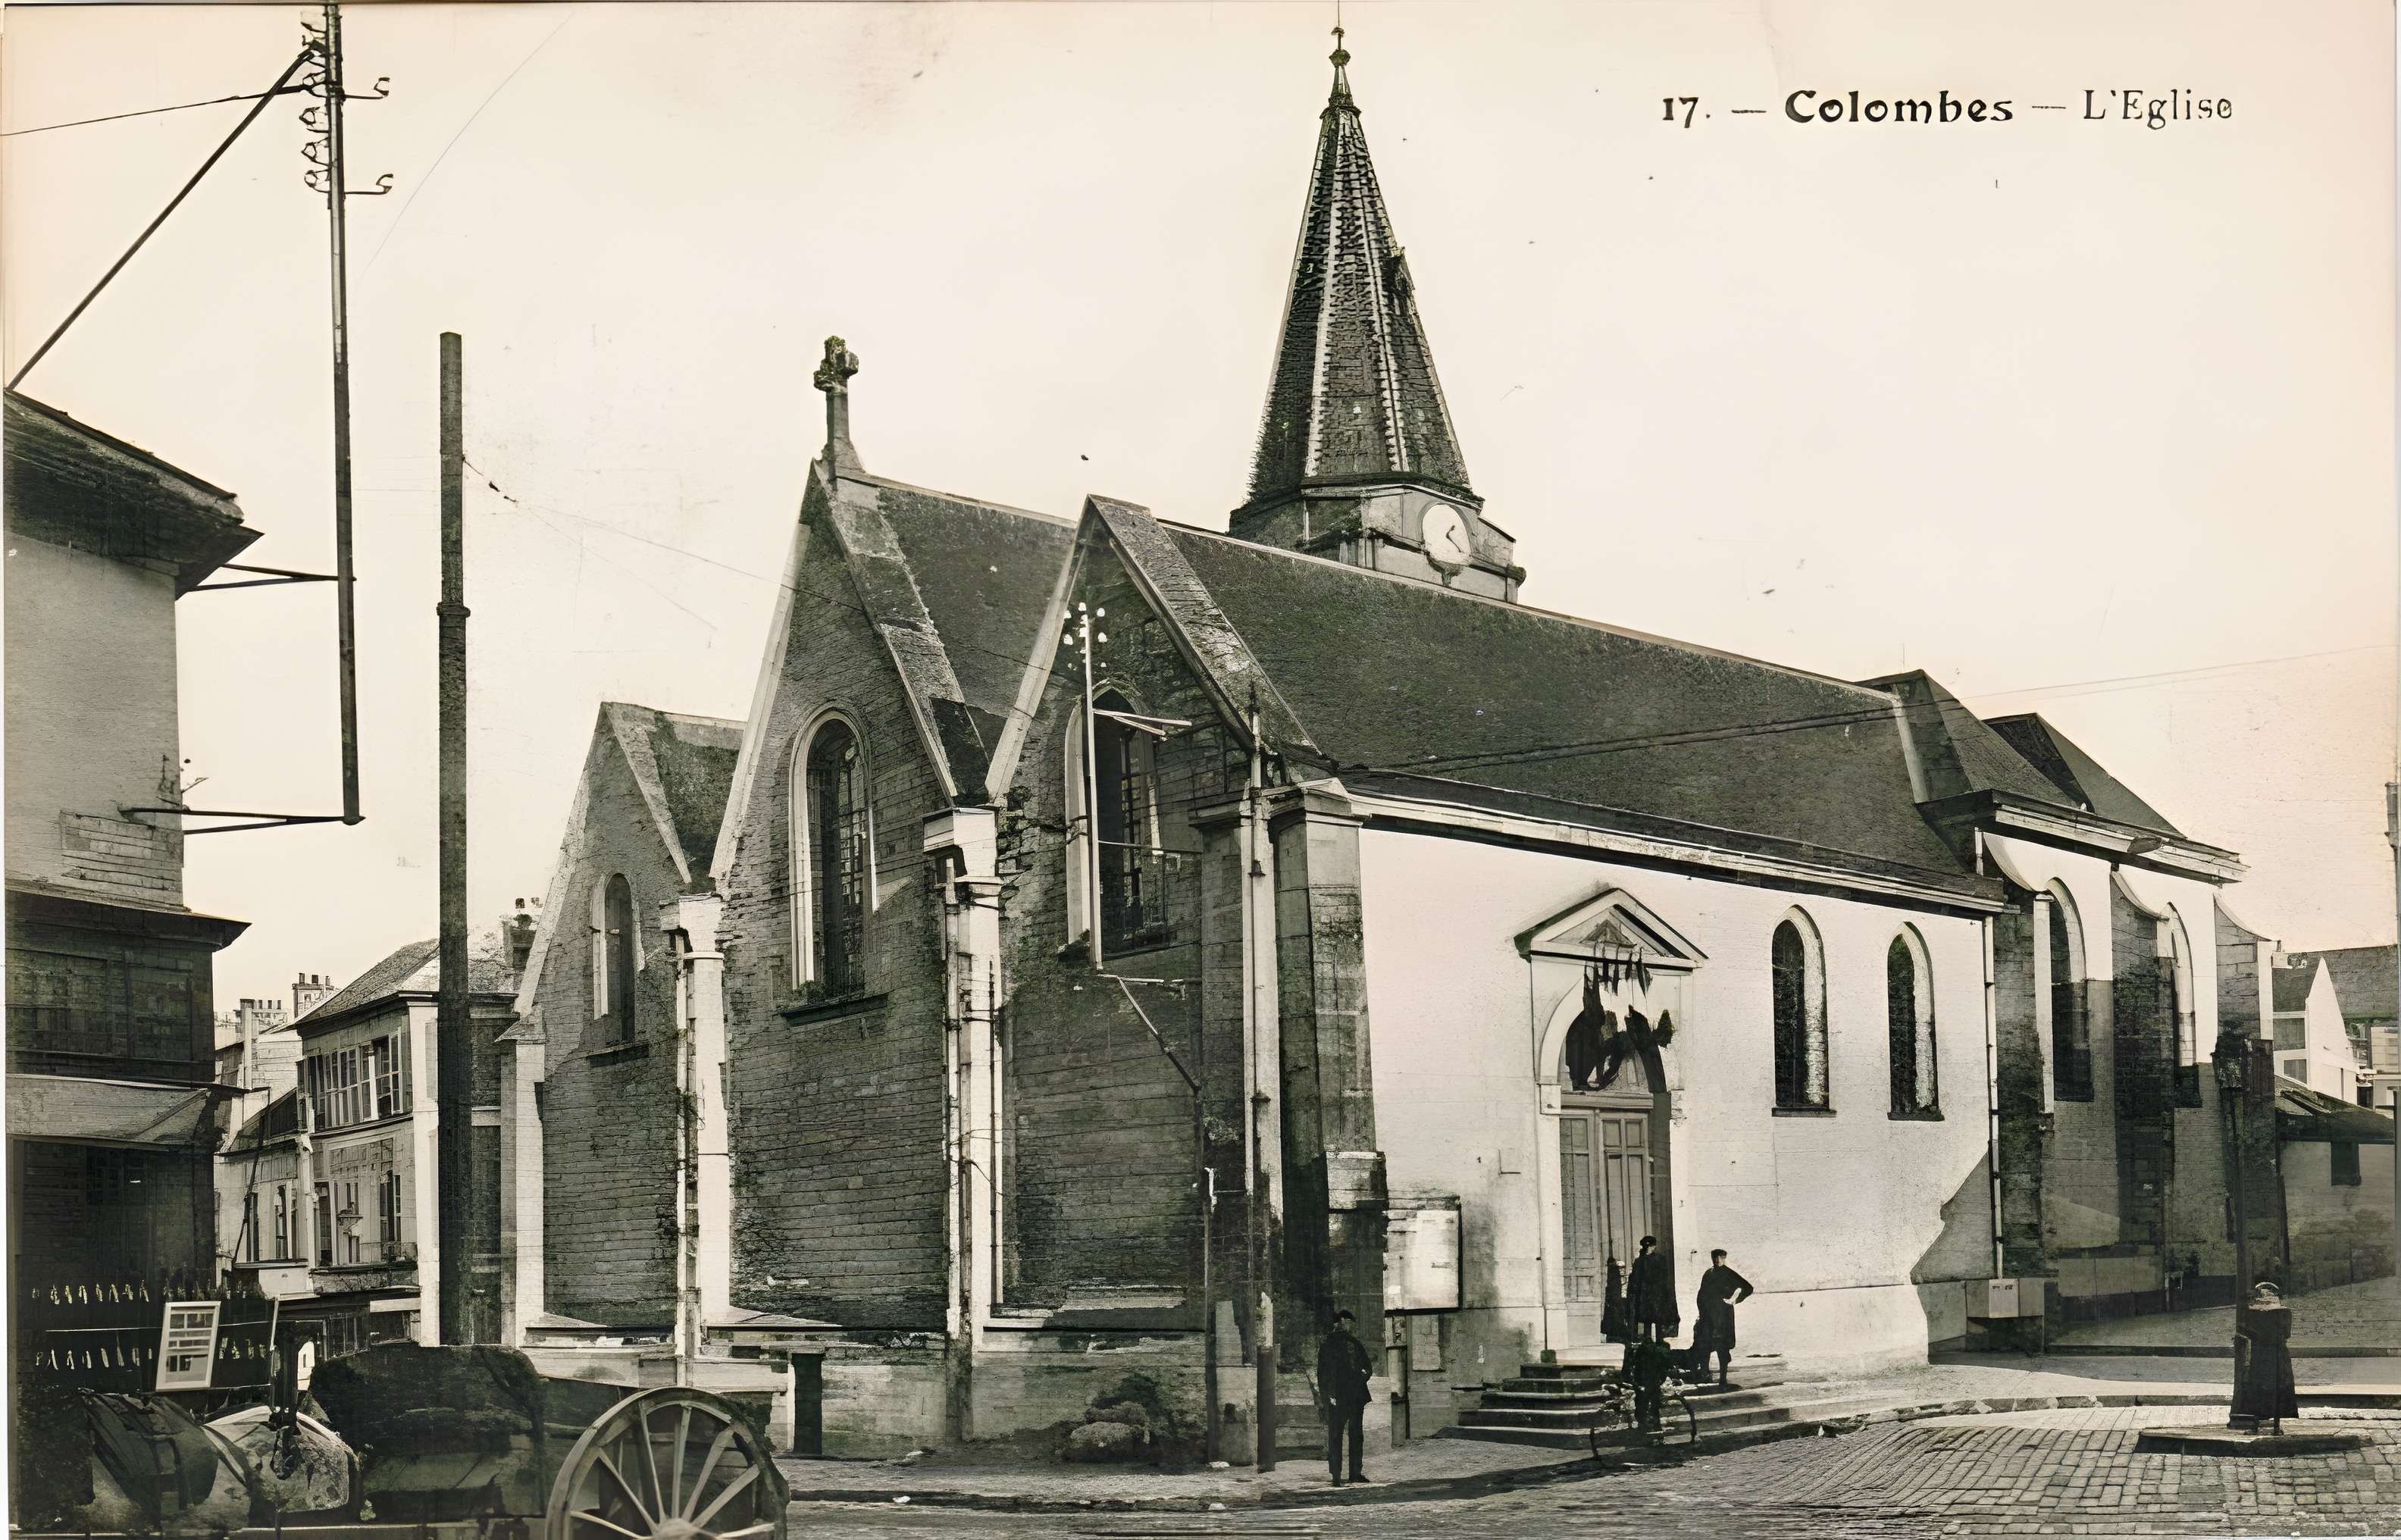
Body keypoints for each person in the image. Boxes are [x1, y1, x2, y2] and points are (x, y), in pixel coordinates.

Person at [1315, 1309, 1374, 1485]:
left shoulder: (1355, 1343)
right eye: (1346, 1322)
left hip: (1356, 1394)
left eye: (1349, 1323)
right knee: (1336, 1435)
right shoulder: (1328, 1345)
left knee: (1356, 1435)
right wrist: (1329, 1394)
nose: (1348, 1326)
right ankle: (1336, 1475)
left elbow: (1367, 1366)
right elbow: (1324, 1374)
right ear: (1339, 1322)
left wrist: (1364, 1374)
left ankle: (1356, 1473)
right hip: (1338, 1396)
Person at [2232, 1279, 2298, 1432]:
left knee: (2257, 1389)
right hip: (2278, 1354)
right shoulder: (2284, 1312)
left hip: (2259, 1354)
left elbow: (2246, 1331)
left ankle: (2256, 1424)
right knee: (2278, 1389)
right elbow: (2287, 1334)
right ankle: (2276, 1425)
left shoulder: (2251, 1313)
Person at [1691, 1248, 1755, 1386]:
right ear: (1712, 1258)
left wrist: (1734, 1300)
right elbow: (1701, 1294)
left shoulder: (1729, 1273)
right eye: (1715, 1257)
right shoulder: (1708, 1273)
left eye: (1721, 1257)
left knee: (1722, 1346)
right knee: (1705, 1344)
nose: (1718, 1260)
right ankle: (1705, 1374)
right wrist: (1700, 1313)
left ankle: (1723, 1378)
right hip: (1707, 1315)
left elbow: (1748, 1288)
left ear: (1725, 1258)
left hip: (1723, 1315)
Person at [1624, 1235, 1679, 1343]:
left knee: (1659, 1319)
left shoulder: (1660, 1259)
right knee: (1647, 1320)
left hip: (1657, 1294)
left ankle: (1660, 1340)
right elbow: (1635, 1279)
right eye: (1645, 1247)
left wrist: (1663, 1293)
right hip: (1644, 1295)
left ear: (1654, 1247)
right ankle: (1647, 1340)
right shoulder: (1639, 1261)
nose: (1647, 1249)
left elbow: (1664, 1277)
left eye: (1649, 1247)